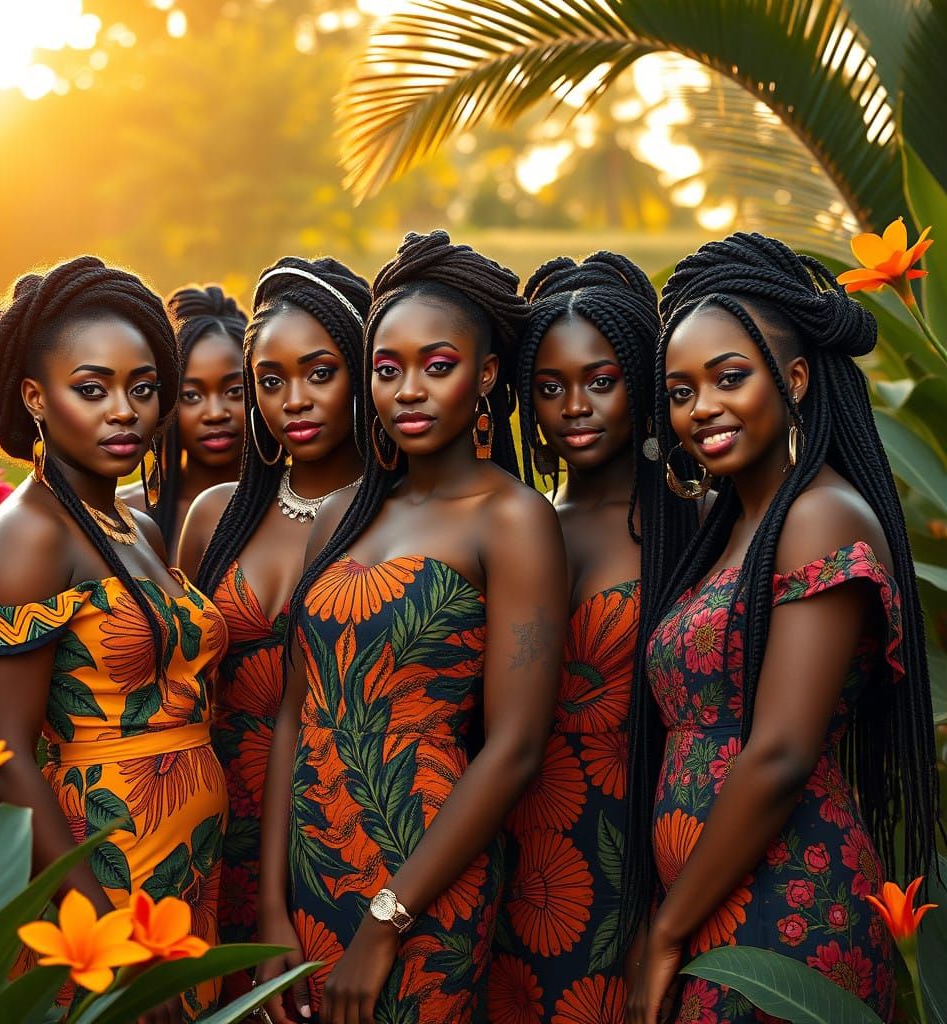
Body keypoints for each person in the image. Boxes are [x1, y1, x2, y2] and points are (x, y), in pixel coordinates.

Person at [257, 230, 568, 1024]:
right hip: (308, 871)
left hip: (424, 878)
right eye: (387, 370)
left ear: (487, 374)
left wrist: (387, 920)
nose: (409, 391)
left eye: (438, 366)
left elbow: (515, 747)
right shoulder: (345, 515)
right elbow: (296, 712)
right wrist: (269, 907)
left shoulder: (513, 520)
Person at [626, 233, 939, 1024]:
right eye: (681, 391)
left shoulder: (821, 516)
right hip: (712, 900)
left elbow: (781, 752)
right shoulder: (733, 523)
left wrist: (665, 933)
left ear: (793, 378)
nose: (703, 409)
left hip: (789, 904)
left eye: (730, 378)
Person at [0, 256, 229, 1023]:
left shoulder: (131, 523)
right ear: (35, 397)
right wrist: (111, 938)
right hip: (104, 875)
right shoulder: (26, 537)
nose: (125, 412)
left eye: (142, 389)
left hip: (186, 869)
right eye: (92, 388)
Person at [490, 252, 682, 1023]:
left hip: (636, 853)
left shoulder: (692, 527)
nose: (575, 405)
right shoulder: (507, 529)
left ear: (641, 381)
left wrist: (661, 908)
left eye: (601, 381)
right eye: (550, 386)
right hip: (510, 852)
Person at [178, 257, 369, 1002]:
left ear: (359, 372)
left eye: (320, 373)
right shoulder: (214, 516)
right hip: (211, 822)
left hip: (339, 823)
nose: (294, 400)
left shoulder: (397, 521)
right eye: (270, 379)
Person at [119, 284, 247, 560]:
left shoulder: (293, 511)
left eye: (235, 391)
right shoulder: (121, 515)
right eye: (191, 395)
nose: (215, 413)